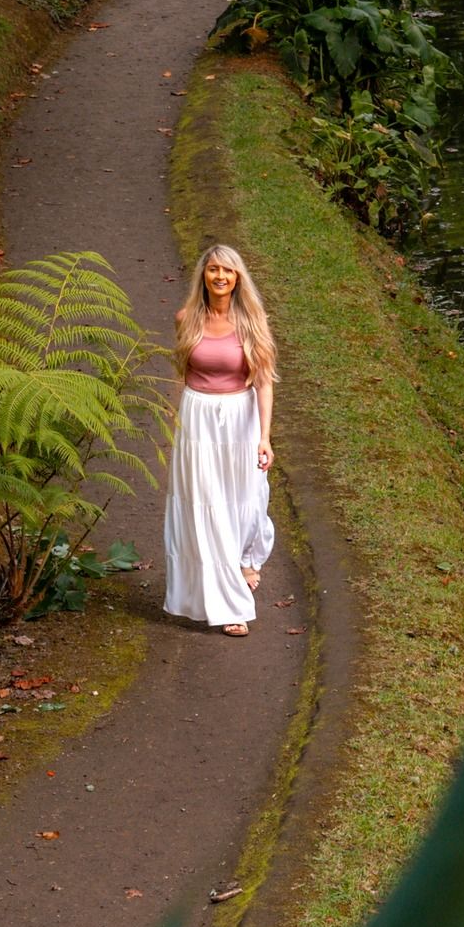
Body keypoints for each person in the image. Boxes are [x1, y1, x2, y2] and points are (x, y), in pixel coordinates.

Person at [163, 241, 277, 634]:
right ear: (204, 276)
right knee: (205, 507)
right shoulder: (186, 319)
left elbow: (263, 382)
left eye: (227, 270)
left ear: (237, 277)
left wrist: (264, 437)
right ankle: (230, 606)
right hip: (197, 420)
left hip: (240, 417)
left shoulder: (252, 321)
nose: (220, 276)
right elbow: (182, 375)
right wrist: (174, 426)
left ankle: (247, 559)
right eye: (213, 269)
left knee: (244, 501)